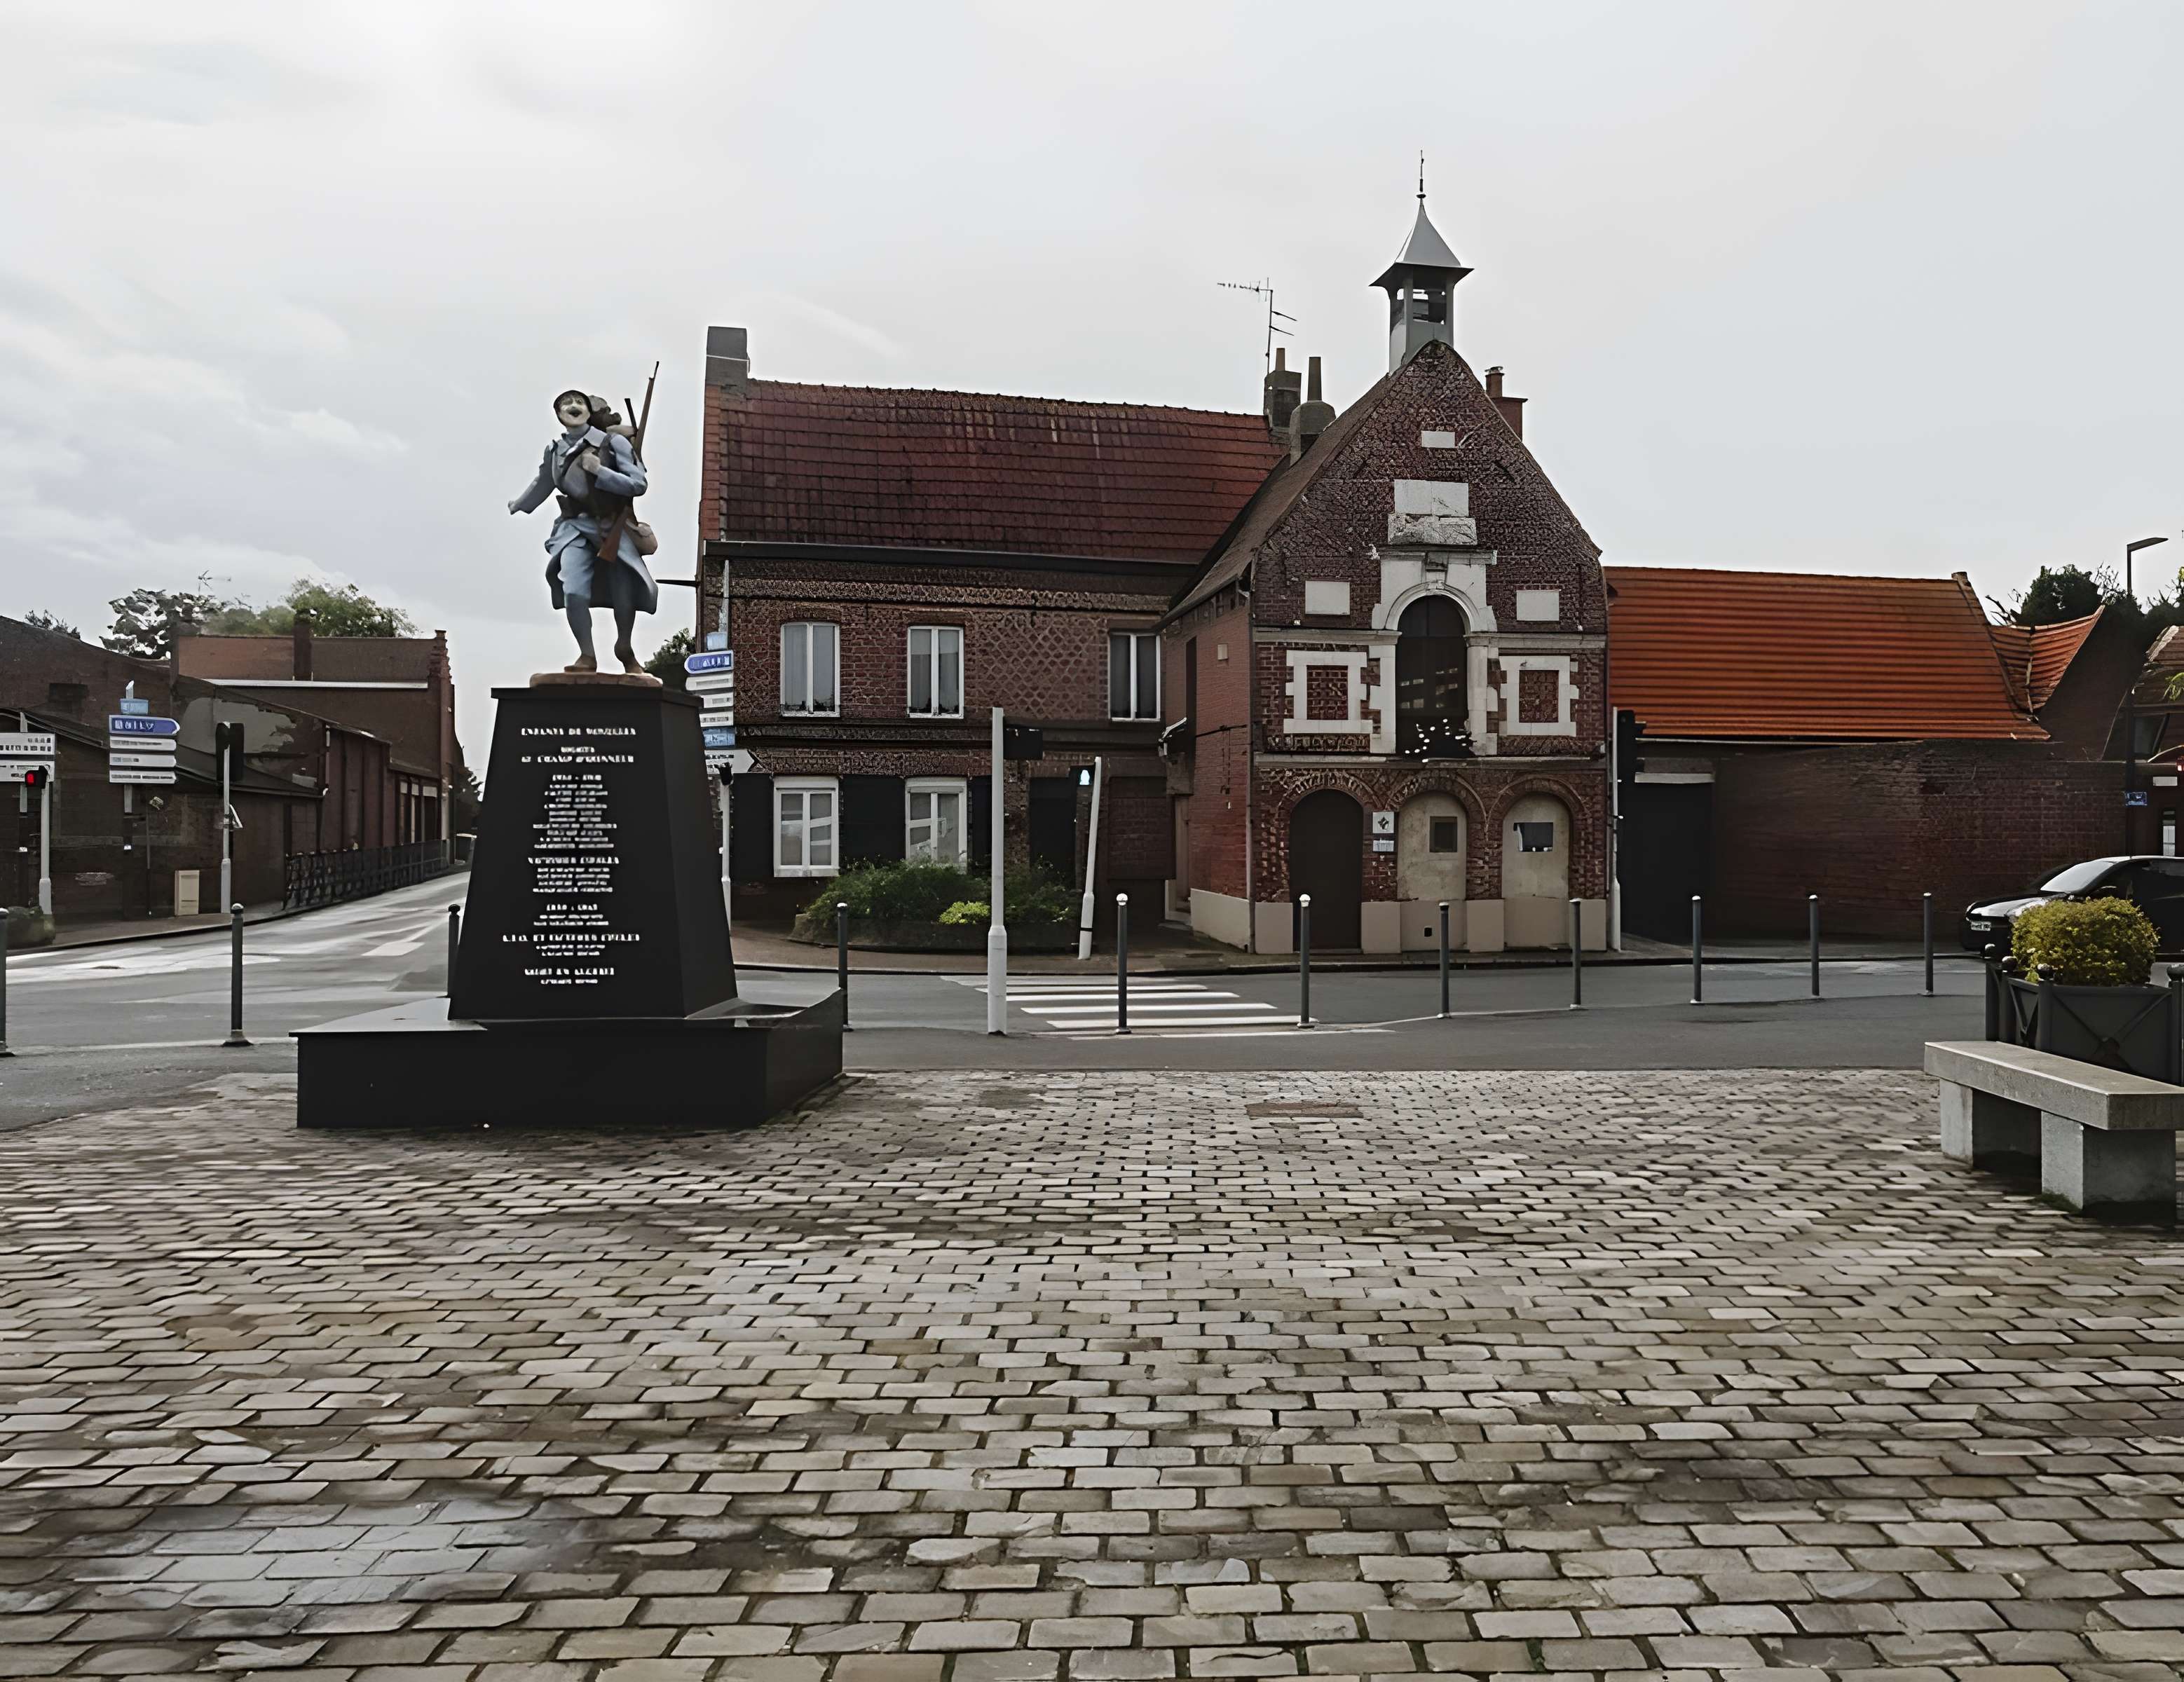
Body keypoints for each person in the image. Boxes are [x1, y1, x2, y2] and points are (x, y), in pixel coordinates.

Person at [509, 389, 658, 673]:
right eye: (566, 403)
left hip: (611, 525)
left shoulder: (613, 443)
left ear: (590, 411)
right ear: (558, 414)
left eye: (579, 402)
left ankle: (624, 647)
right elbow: (544, 482)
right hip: (573, 527)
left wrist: (601, 471)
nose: (573, 406)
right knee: (573, 590)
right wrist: (519, 504)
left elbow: (638, 484)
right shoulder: (554, 449)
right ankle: (587, 656)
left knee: (623, 592)